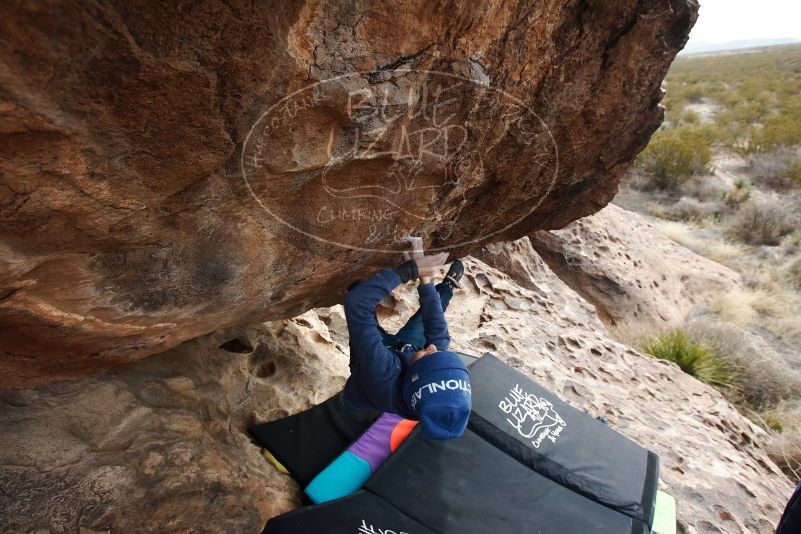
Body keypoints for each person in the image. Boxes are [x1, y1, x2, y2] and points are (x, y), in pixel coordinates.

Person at [342, 240, 471, 441]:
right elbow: (438, 332)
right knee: (432, 311)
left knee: (357, 288)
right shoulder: (429, 374)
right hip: (407, 355)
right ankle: (447, 286)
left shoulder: (381, 375)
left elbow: (357, 303)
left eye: (432, 356)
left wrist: (412, 269)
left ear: (416, 378)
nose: (433, 347)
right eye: (442, 356)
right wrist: (425, 278)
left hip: (370, 369)